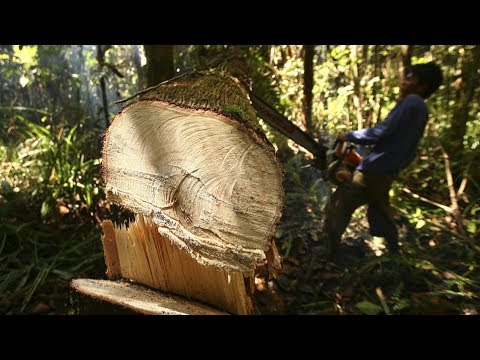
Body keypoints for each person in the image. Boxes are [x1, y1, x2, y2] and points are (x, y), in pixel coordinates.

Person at [323, 61, 443, 256]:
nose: (405, 80)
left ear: (423, 85)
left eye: (411, 78)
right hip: (386, 172)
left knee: (340, 202)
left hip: (374, 170)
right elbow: (406, 144)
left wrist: (350, 136)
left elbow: (382, 131)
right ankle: (394, 254)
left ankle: (330, 250)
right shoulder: (421, 108)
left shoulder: (412, 101)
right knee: (380, 209)